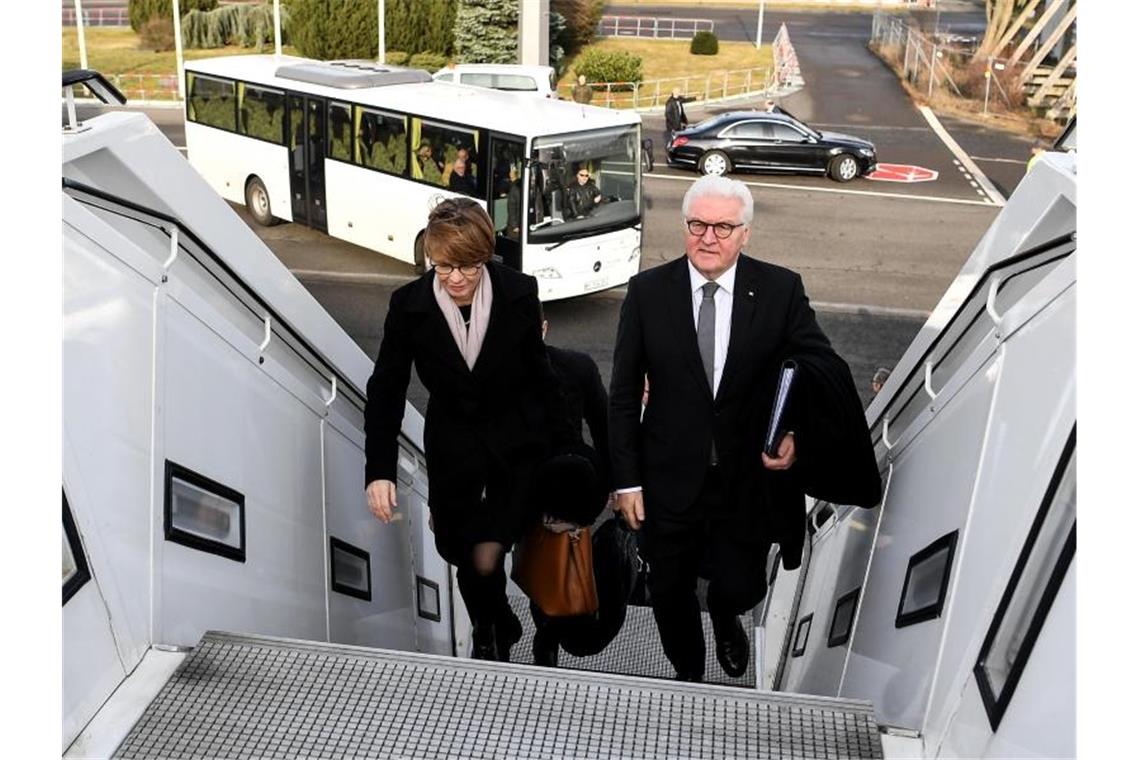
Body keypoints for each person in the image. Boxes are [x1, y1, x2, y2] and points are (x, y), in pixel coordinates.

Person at [608, 175, 881, 682]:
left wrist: (796, 432)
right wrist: (626, 481)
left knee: (741, 585)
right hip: (666, 477)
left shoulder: (780, 290)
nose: (708, 237)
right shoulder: (648, 292)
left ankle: (726, 615)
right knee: (668, 591)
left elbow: (819, 363)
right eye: (698, 225)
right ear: (684, 226)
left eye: (723, 227)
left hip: (745, 480)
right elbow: (623, 393)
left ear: (745, 233)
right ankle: (689, 674)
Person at [365, 197, 572, 663]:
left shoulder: (519, 291)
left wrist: (569, 458)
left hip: (514, 450)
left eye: (468, 266)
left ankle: (490, 632)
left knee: (489, 554)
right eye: (443, 267)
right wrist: (379, 470)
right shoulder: (408, 306)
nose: (456, 278)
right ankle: (497, 621)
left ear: (486, 255)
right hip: (453, 456)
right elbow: (386, 389)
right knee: (464, 555)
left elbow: (542, 379)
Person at [530, 309, 612, 667]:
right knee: (539, 563)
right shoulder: (493, 372)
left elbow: (604, 428)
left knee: (559, 560)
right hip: (524, 488)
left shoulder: (577, 367)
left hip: (570, 485)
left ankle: (551, 632)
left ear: (544, 329)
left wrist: (612, 486)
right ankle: (547, 630)